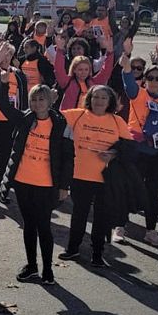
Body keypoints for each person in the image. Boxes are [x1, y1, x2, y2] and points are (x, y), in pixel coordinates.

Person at [0, 76, 73, 284]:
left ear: (50, 101)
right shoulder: (25, 119)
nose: (38, 103)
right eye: (34, 100)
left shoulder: (60, 123)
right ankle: (32, 266)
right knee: (29, 225)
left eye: (41, 99)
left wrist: (64, 186)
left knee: (43, 226)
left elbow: (68, 157)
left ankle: (48, 270)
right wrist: (2, 83)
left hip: (47, 184)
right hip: (23, 181)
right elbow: (3, 105)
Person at [58, 86, 134, 265]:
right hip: (80, 175)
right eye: (96, 97)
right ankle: (73, 249)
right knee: (79, 214)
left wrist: (114, 153)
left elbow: (130, 148)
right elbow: (52, 117)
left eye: (104, 98)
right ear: (89, 99)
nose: (99, 101)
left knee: (102, 217)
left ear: (110, 102)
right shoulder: (77, 115)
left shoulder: (117, 121)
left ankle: (98, 254)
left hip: (105, 178)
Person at [120, 51, 158, 247]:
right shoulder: (138, 94)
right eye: (150, 78)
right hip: (136, 150)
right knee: (129, 187)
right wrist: (127, 64)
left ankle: (151, 231)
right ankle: (120, 226)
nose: (154, 81)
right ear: (145, 80)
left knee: (152, 193)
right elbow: (128, 83)